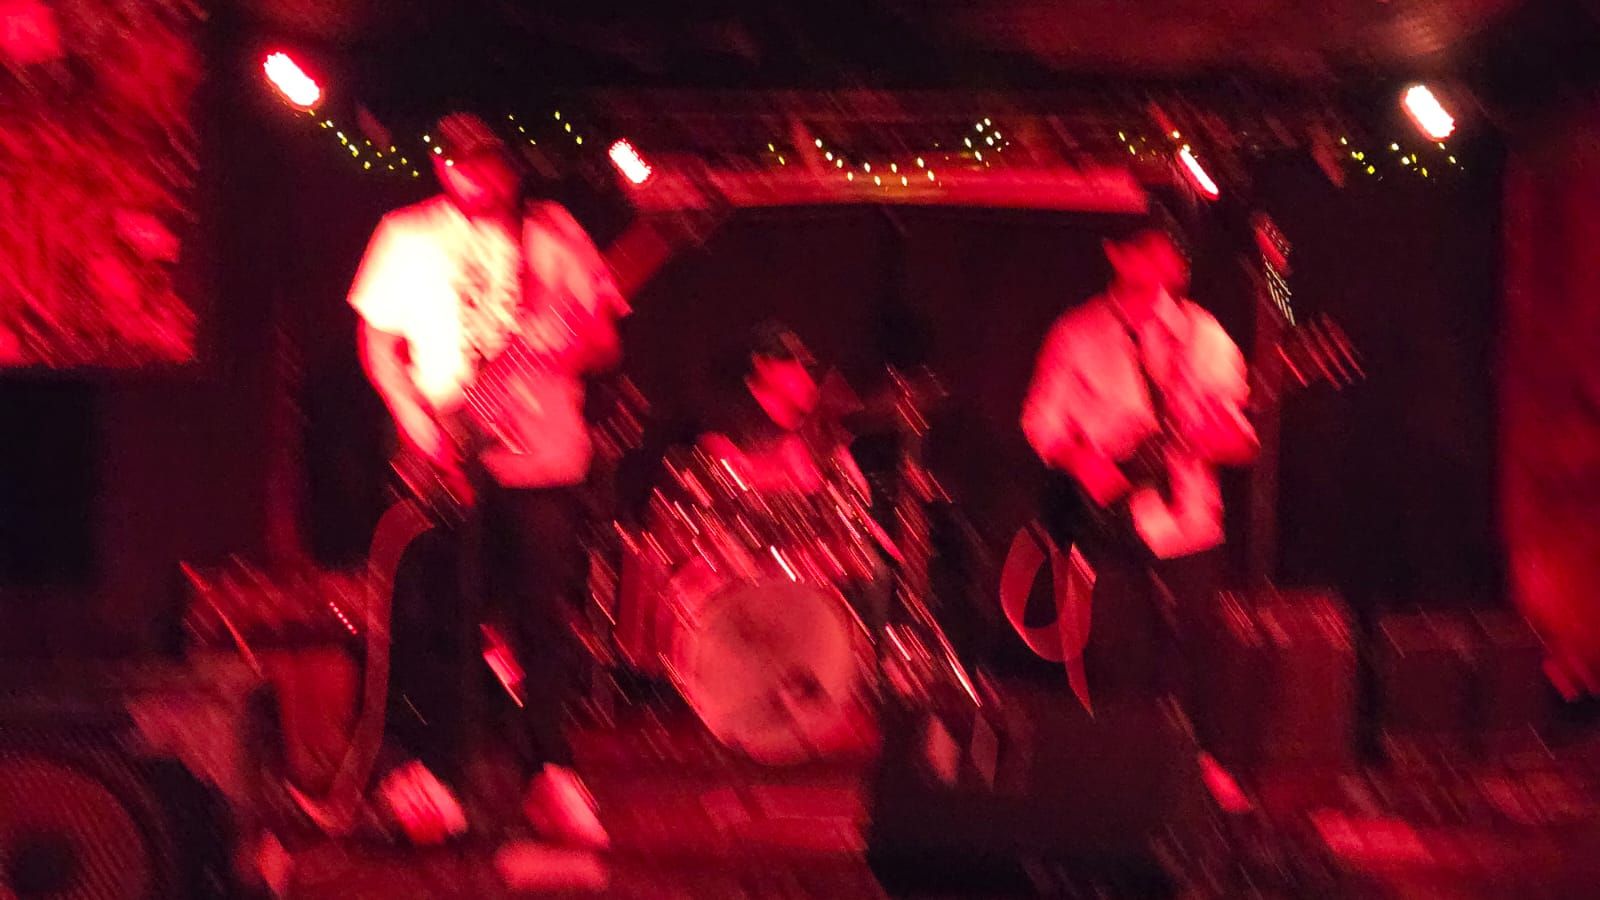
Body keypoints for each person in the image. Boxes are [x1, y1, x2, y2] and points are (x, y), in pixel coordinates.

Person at [347, 111, 624, 849]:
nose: (467, 174)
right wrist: (414, 419)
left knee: (544, 623)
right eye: (454, 161)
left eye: (483, 161)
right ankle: (445, 779)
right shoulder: (406, 234)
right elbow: (377, 343)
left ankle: (550, 775)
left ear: (511, 165)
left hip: (544, 458)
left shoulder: (554, 233)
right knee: (447, 619)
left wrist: (564, 345)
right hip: (450, 453)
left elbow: (605, 340)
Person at [1020, 219, 1257, 719]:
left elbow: (1241, 442)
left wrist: (1215, 440)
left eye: (1171, 253)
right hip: (1109, 527)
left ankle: (1201, 759)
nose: (1166, 264)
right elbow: (1040, 423)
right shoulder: (1077, 334)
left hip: (1189, 524)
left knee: (1201, 660)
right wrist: (1083, 460)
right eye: (1151, 252)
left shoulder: (1204, 335)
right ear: (1117, 255)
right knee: (1117, 663)